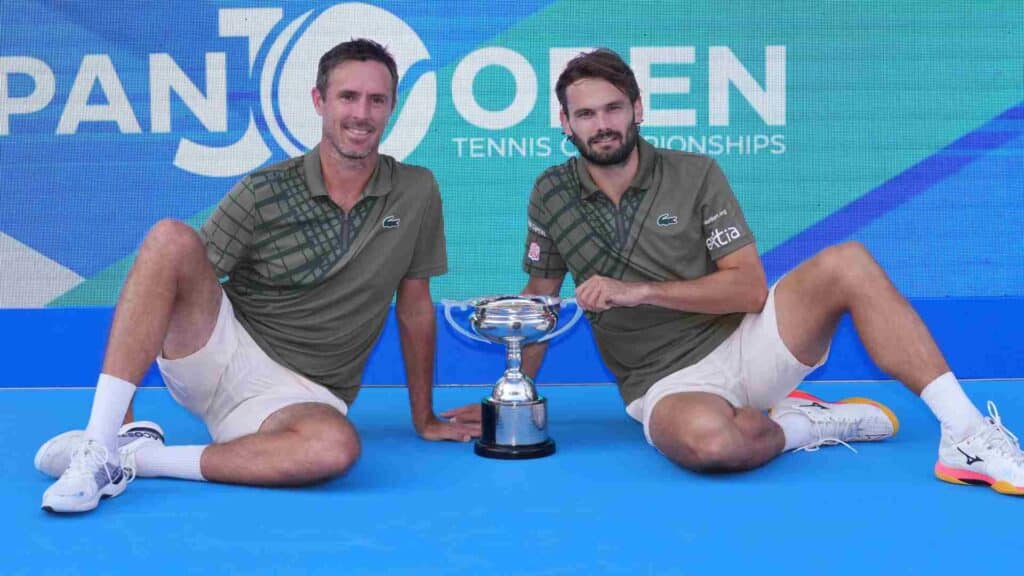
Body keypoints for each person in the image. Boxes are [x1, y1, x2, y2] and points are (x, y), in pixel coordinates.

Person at [443, 48, 1024, 495]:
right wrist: (512, 403)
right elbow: (540, 296)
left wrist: (639, 291)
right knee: (714, 449)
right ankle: (806, 426)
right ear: (566, 124)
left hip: (749, 342)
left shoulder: (695, 173)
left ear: (638, 109)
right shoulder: (551, 192)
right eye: (586, 114)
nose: (603, 124)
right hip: (664, 382)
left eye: (614, 108)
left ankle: (966, 435)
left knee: (847, 262)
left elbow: (748, 289)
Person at [37, 38, 480, 513]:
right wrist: (123, 418)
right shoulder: (265, 189)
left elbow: (414, 307)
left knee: (335, 449)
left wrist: (424, 417)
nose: (361, 113)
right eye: (348, 97)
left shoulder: (416, 190)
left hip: (301, 398)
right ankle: (101, 443)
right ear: (319, 101)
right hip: (217, 354)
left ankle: (136, 459)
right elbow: (170, 283)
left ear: (392, 107)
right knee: (170, 240)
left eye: (377, 100)